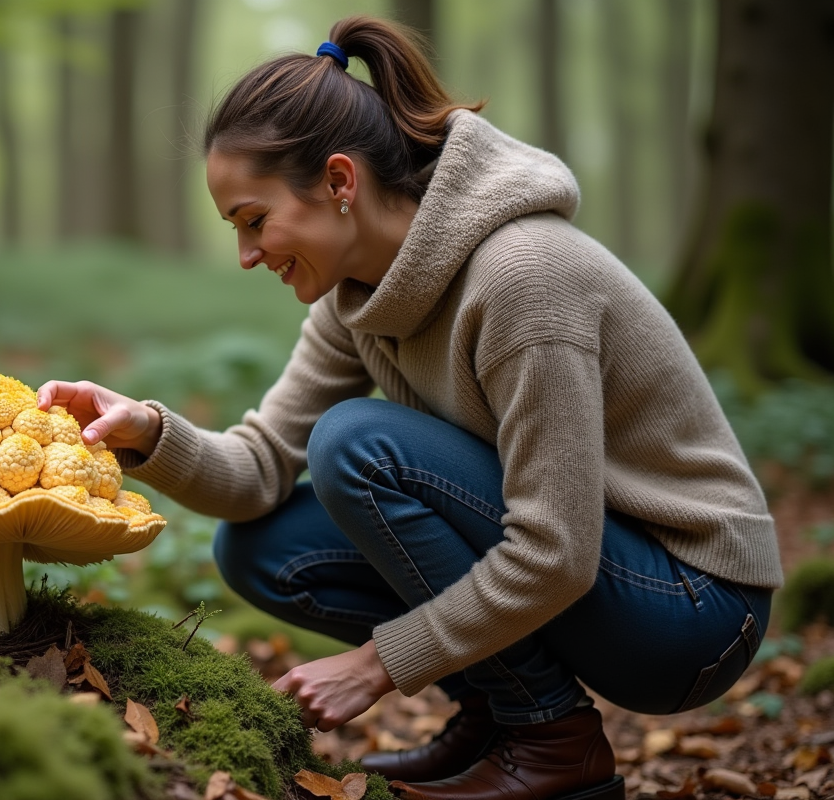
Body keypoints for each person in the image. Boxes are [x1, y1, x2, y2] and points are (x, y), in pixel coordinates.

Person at [38, 15, 781, 800]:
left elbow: (556, 551)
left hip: (693, 607)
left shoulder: (523, 278)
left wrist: (377, 665)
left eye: (255, 221)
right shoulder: (355, 301)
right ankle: (498, 714)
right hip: (599, 573)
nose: (246, 255)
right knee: (260, 548)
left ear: (338, 182)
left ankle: (553, 744)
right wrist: (148, 432)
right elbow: (257, 471)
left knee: (358, 444)